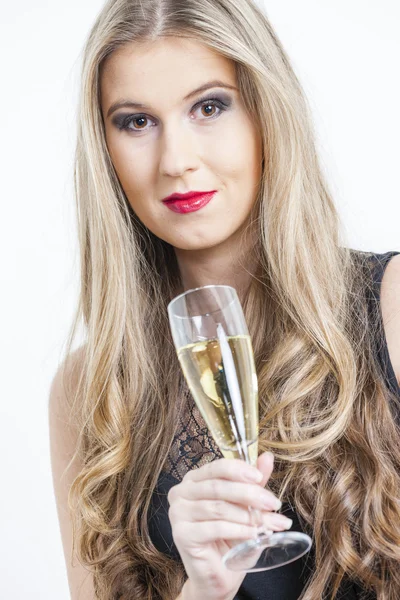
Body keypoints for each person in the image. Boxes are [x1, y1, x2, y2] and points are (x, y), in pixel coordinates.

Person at [48, 0, 400, 599]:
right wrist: (204, 588)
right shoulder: (90, 390)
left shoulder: (390, 306)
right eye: (136, 122)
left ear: (266, 113)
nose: (176, 161)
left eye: (209, 107)